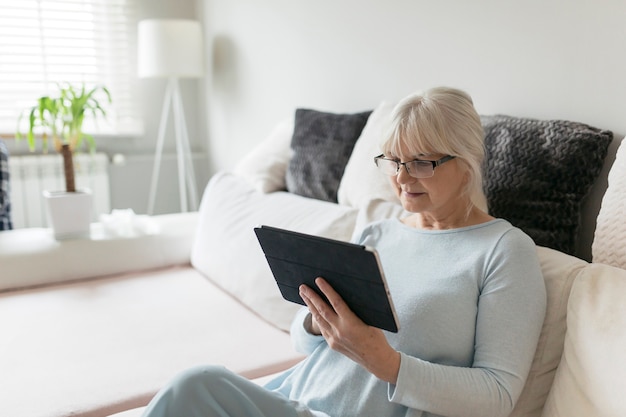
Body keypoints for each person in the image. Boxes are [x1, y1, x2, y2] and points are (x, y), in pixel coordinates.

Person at [141, 87, 547, 417]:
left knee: (194, 385)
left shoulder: (504, 251)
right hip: (295, 399)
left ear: (468, 160)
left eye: (422, 163)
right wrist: (319, 321)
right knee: (194, 390)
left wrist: (384, 362)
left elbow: (496, 395)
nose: (402, 178)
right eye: (394, 161)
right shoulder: (378, 233)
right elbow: (306, 347)